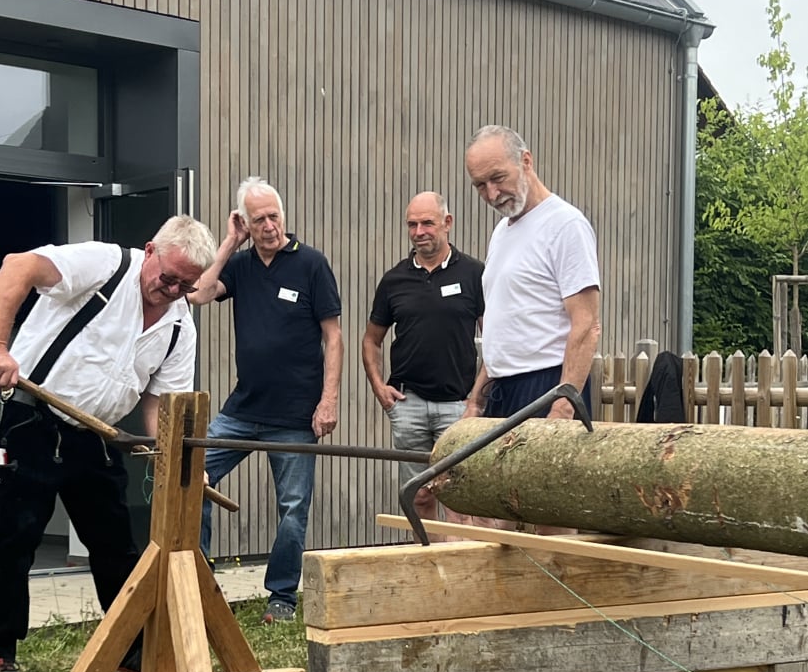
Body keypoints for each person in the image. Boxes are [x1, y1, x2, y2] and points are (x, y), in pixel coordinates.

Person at [0, 215, 225, 672]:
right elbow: (16, 267)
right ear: (149, 251)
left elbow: (161, 405)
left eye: (185, 285)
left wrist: (175, 458)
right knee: (15, 538)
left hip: (95, 435)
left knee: (115, 545)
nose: (172, 290)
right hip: (30, 419)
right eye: (168, 277)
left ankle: (128, 644)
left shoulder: (179, 327)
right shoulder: (104, 265)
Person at [192, 177, 343, 624]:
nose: (269, 226)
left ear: (283, 215)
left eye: (274, 216)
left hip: (296, 416)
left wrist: (329, 401)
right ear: (246, 222)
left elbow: (333, 337)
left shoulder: (311, 263)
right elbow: (198, 293)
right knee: (190, 476)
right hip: (243, 410)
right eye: (258, 220)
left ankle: (281, 597)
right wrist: (228, 243)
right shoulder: (240, 266)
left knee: (293, 508)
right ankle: (199, 586)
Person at [463, 125, 600, 424]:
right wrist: (476, 401)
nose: (492, 193)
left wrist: (563, 406)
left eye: (498, 178)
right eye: (480, 185)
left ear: (526, 161)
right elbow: (503, 327)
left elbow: (587, 324)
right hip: (501, 389)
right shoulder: (502, 232)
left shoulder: (566, 225)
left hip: (547, 386)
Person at [362, 190, 484, 526]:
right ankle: (428, 556)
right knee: (419, 496)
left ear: (447, 223)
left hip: (458, 406)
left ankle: (457, 560)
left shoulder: (474, 274)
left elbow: (495, 340)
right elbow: (371, 340)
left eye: (427, 223)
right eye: (412, 225)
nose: (419, 232)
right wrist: (379, 387)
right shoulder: (394, 280)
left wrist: (476, 398)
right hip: (408, 405)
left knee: (458, 499)